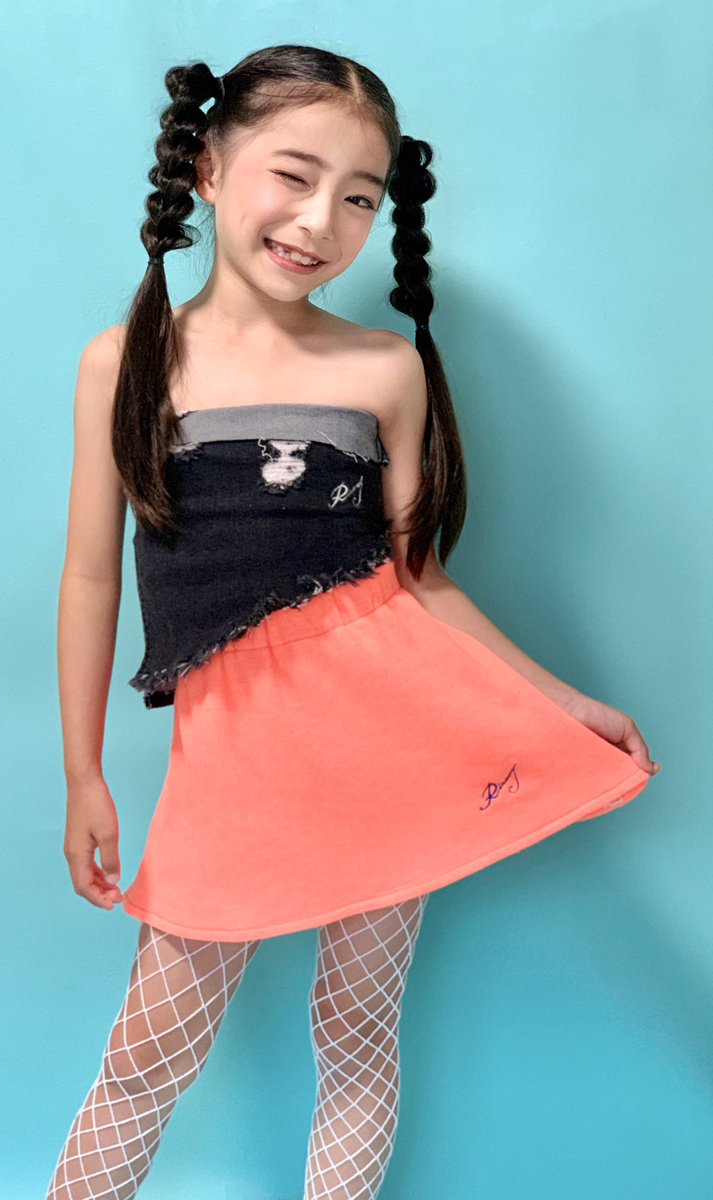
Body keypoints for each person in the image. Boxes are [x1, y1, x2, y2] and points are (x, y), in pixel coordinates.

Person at [45, 43, 660, 1200]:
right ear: (208, 168)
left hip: (386, 740)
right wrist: (83, 773)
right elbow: (90, 578)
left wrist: (562, 703)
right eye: (293, 175)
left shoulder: (383, 370)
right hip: (232, 759)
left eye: (359, 198)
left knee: (358, 1035)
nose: (319, 220)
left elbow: (418, 580)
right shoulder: (122, 364)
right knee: (144, 1062)